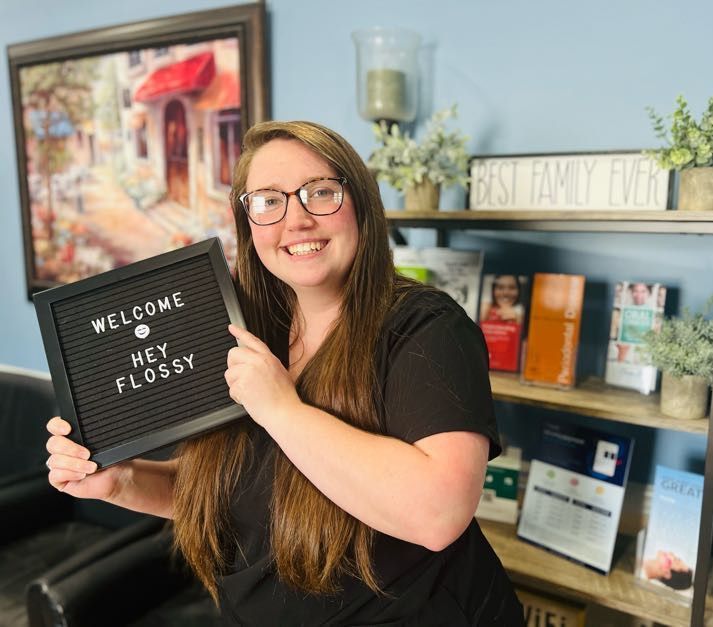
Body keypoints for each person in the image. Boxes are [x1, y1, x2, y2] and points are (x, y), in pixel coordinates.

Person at [44, 120, 524, 626]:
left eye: (320, 192)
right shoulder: (236, 328)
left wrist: (281, 409)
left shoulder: (426, 326)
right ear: (248, 223)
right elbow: (229, 493)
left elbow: (438, 513)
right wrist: (120, 482)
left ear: (359, 203)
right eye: (269, 201)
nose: (296, 221)